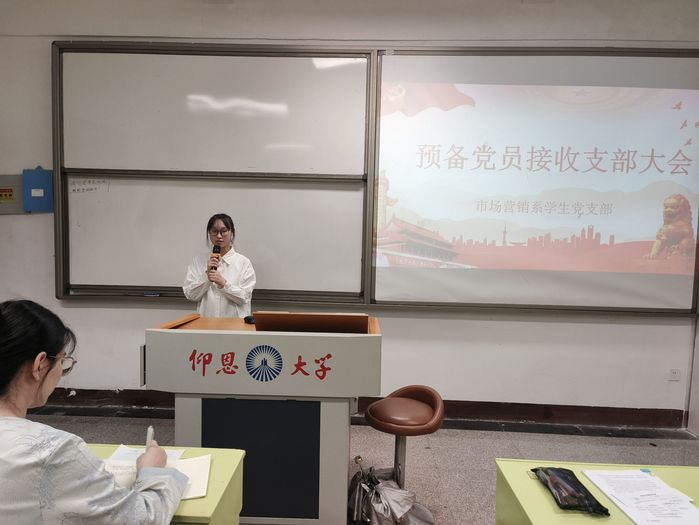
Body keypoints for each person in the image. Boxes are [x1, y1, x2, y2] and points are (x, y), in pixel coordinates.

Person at [0, 299, 188, 524]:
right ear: (40, 365)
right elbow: (143, 518)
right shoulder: (53, 451)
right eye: (62, 361)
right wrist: (151, 471)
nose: (61, 372)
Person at [183, 213, 256, 317]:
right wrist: (207, 277)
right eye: (214, 231)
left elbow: (244, 297)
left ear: (232, 233)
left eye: (223, 231)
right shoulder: (199, 261)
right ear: (209, 233)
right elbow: (190, 295)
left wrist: (224, 284)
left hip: (234, 324)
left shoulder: (243, 263)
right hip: (206, 323)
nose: (219, 236)